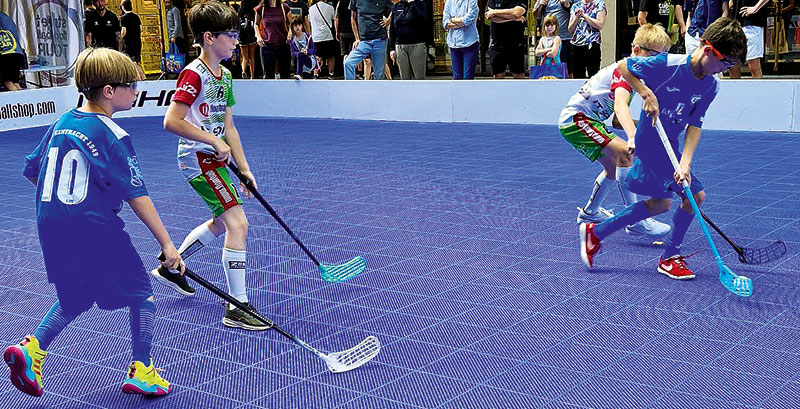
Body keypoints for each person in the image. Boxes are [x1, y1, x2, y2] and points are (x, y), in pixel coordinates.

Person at [4, 47, 184, 398]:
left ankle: (31, 349)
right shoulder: (111, 133)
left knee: (76, 294)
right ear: (108, 91)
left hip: (50, 225)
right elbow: (137, 194)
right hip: (93, 227)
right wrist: (166, 244)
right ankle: (142, 369)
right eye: (131, 84)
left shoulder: (62, 123)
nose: (136, 89)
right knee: (142, 293)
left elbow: (33, 171)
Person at [580, 17, 746, 281]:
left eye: (730, 65)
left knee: (659, 204)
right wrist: (646, 93)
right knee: (696, 197)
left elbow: (694, 125)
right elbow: (625, 67)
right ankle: (670, 257)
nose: (723, 69)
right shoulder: (668, 64)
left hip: (671, 145)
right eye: (723, 62)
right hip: (649, 142)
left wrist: (686, 163)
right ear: (707, 49)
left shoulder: (711, 85)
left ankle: (595, 233)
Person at [159, 0, 268, 331]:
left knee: (222, 223)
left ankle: (169, 266)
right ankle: (237, 307)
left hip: (214, 158)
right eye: (231, 35)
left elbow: (228, 127)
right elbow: (171, 121)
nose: (237, 40)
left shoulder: (226, 75)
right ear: (209, 37)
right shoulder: (193, 74)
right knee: (238, 224)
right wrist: (211, 141)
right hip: (197, 158)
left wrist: (244, 168)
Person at [561, 23, 673, 239]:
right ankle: (635, 220)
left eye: (664, 56)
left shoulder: (634, 75)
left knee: (614, 169)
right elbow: (620, 107)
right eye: (657, 55)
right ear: (638, 50)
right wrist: (632, 138)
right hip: (577, 120)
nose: (661, 62)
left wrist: (650, 127)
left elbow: (616, 120)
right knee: (624, 154)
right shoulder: (626, 71)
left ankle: (590, 213)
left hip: (590, 121)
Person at [344, 0, 393, 80]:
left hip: (380, 40)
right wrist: (357, 38)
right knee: (348, 63)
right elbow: (353, 18)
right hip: (364, 41)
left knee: (379, 74)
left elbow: (395, 8)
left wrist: (388, 21)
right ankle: (350, 89)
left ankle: (379, 91)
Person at [485, 0, 527, 79]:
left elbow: (516, 13)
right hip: (497, 42)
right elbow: (490, 17)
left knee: (518, 75)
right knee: (498, 75)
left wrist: (495, 12)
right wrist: (514, 18)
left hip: (516, 43)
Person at [533, 0, 575, 77]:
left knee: (567, 69)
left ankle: (567, 86)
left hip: (565, 37)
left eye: (551, 25)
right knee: (547, 72)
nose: (549, 27)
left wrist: (567, 5)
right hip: (547, 38)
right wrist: (540, 6)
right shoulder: (543, 40)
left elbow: (576, 12)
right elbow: (536, 16)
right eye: (548, 25)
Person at [728, 0, 768, 78]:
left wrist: (756, 8)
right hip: (735, 20)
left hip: (752, 22)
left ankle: (758, 89)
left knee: (753, 63)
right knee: (733, 62)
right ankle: (734, 89)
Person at [255, 0, 293, 79]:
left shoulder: (284, 7)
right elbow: (256, 24)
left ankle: (286, 90)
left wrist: (290, 32)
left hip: (283, 44)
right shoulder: (261, 8)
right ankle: (269, 91)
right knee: (268, 75)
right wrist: (258, 36)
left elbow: (291, 22)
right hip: (267, 45)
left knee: (285, 74)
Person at [568, 0, 605, 78]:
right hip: (576, 45)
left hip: (592, 44)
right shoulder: (575, 6)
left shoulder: (599, 3)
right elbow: (570, 29)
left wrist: (585, 16)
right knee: (577, 76)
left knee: (593, 75)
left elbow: (600, 24)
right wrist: (576, 18)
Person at [443, 0, 479, 79]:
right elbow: (445, 22)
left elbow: (468, 19)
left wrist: (452, 19)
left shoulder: (472, 1)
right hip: (454, 44)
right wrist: (461, 22)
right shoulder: (449, 1)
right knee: (456, 78)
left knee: (468, 77)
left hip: (469, 43)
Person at [308, 0, 338, 78]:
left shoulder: (311, 9)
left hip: (316, 36)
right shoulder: (330, 8)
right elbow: (334, 20)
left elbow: (309, 21)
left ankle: (316, 74)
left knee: (317, 56)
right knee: (330, 56)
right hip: (328, 36)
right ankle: (331, 73)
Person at [0, 11, 25, 91]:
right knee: (15, 83)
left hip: (6, 56)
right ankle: (26, 100)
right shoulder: (5, 18)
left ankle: (19, 101)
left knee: (8, 82)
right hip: (17, 54)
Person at [120, 0, 145, 79]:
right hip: (137, 42)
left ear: (123, 7)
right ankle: (143, 78)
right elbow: (141, 28)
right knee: (136, 62)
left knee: (132, 63)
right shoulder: (136, 16)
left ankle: (139, 80)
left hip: (128, 43)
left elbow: (124, 31)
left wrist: (119, 38)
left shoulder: (123, 18)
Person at [239, 0, 259, 79]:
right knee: (252, 57)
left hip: (242, 35)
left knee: (244, 57)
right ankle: (252, 75)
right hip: (251, 34)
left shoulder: (241, 12)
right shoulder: (254, 11)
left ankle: (243, 71)